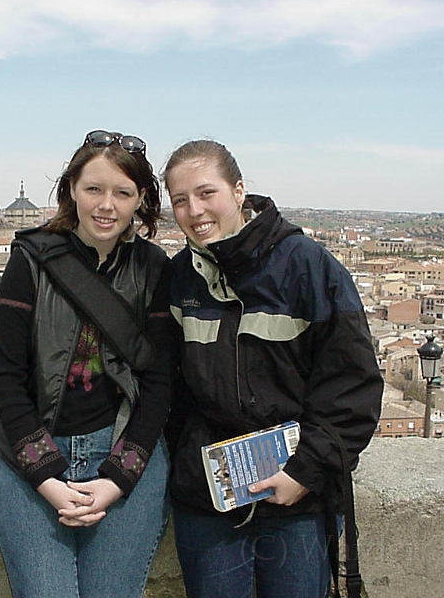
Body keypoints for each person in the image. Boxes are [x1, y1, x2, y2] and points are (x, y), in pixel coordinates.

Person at [162, 139, 383, 598]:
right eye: (180, 200)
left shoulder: (307, 266)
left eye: (207, 193)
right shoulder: (180, 275)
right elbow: (169, 386)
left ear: (239, 191)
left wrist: (305, 473)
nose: (194, 210)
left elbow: (352, 384)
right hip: (209, 498)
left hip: (299, 499)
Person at [0, 130, 174, 598]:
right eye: (94, 189)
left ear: (141, 199)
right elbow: (6, 378)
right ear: (71, 189)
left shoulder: (154, 268)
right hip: (31, 460)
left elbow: (160, 382)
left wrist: (117, 479)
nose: (106, 205)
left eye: (122, 192)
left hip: (123, 448)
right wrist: (46, 478)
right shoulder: (29, 261)